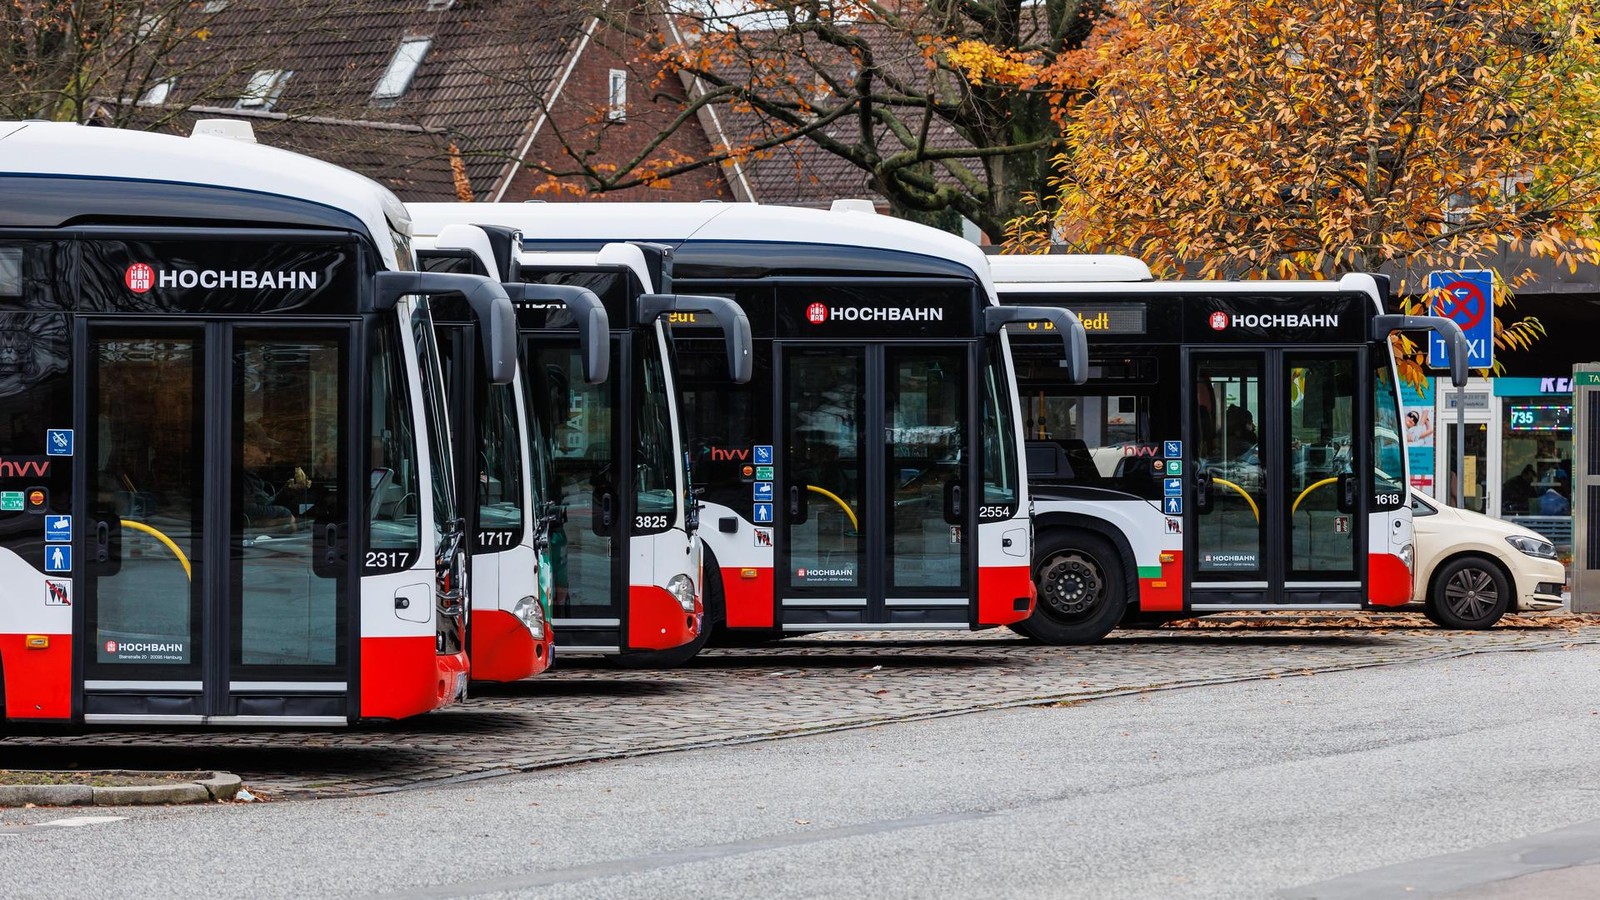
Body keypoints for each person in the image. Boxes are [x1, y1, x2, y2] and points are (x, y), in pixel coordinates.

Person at [242, 422, 299, 529]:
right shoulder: (237, 480)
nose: (268, 455)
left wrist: (287, 492)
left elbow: (265, 506)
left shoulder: (250, 477)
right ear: (245, 449)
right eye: (264, 450)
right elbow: (250, 512)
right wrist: (284, 513)